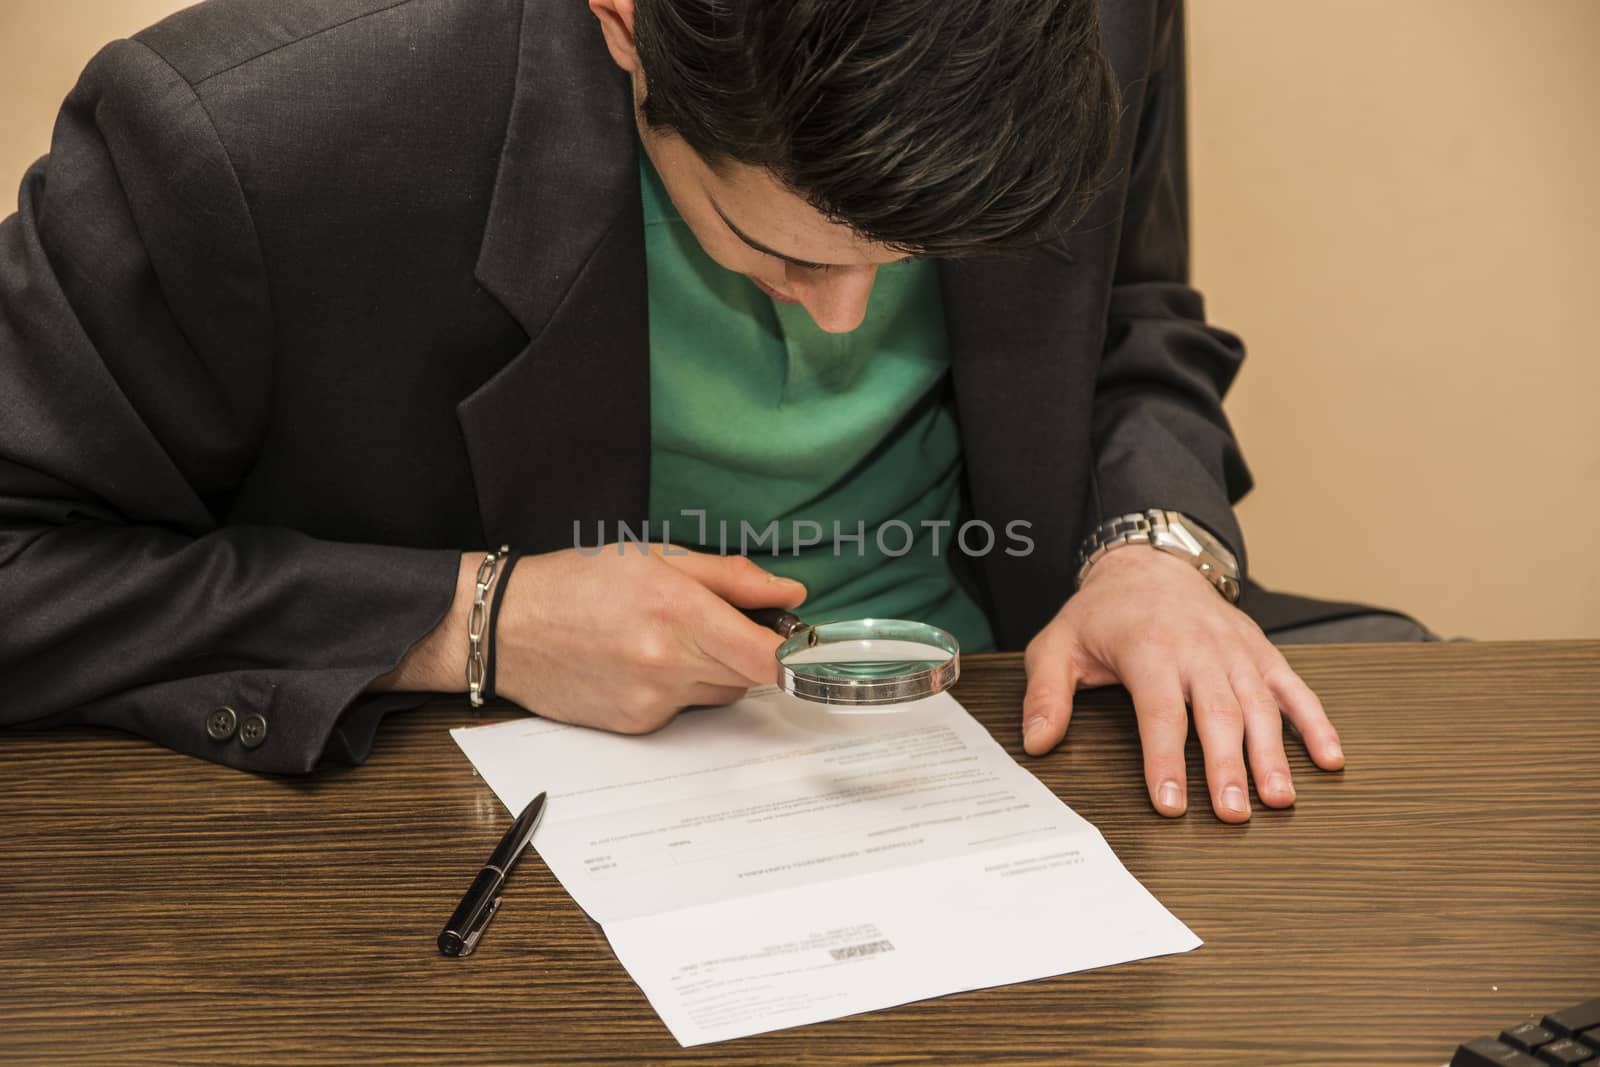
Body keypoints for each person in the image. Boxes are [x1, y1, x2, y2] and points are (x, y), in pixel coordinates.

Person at [0, 0, 1414, 821]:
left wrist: (1154, 550)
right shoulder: (246, 136)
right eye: (784, 253)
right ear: (627, 22)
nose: (852, 318)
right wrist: (473, 622)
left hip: (1015, 711)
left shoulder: (1079, 22)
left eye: (918, 263)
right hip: (518, 785)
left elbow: (1129, 311)